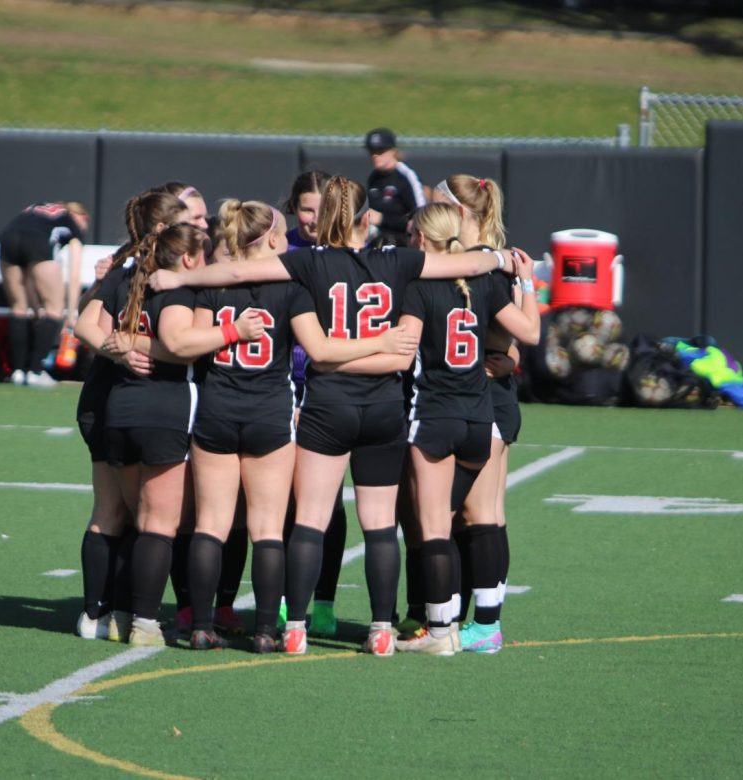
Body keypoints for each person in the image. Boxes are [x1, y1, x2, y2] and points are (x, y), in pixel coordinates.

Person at [148, 175, 519, 656]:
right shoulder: (397, 259)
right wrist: (500, 258)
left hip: (327, 403)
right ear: (369, 218)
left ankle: (297, 626)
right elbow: (462, 261)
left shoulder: (310, 260)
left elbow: (239, 274)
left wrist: (179, 278)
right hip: (384, 404)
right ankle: (381, 629)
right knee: (381, 524)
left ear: (323, 220)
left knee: (310, 521)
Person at [186, 199, 417, 652]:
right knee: (342, 525)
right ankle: (363, 629)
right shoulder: (300, 281)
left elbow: (190, 342)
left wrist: (179, 280)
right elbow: (323, 347)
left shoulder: (278, 272)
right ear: (273, 239)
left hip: (239, 406)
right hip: (302, 409)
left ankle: (226, 625)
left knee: (225, 523)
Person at [102, 223, 266, 647]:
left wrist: (123, 343)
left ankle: (118, 615)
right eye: (205, 253)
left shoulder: (126, 280)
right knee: (160, 524)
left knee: (135, 520)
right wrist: (233, 332)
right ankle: (145, 622)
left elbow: (87, 324)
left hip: (118, 406)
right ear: (189, 260)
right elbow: (176, 343)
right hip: (164, 407)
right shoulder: (175, 291)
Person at [394, 203, 539, 655]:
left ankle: (441, 630)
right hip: (481, 419)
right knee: (480, 519)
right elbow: (530, 332)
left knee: (435, 526)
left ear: (422, 240)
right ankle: (475, 622)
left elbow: (403, 352)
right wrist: (528, 281)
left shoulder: (418, 286)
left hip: (437, 416)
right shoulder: (485, 281)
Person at [68, 190, 186, 642]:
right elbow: (85, 326)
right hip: (116, 400)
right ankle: (116, 613)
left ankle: (100, 614)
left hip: (111, 401)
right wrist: (120, 351)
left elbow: (87, 324)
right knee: (131, 513)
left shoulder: (123, 269)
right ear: (161, 230)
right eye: (185, 220)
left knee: (114, 511)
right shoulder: (139, 274)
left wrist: (120, 346)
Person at [433, 174, 540, 653]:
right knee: (474, 514)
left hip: (485, 399)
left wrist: (508, 355)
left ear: (459, 212)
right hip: (475, 397)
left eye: (436, 203)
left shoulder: (488, 266)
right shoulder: (480, 261)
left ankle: (480, 622)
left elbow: (518, 335)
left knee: (477, 513)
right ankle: (466, 619)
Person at [281, 168, 349, 636]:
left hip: (335, 388)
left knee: (329, 503)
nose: (314, 218)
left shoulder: (351, 255)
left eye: (323, 209)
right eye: (307, 208)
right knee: (285, 500)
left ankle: (322, 600)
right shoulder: (278, 249)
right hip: (281, 386)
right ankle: (289, 599)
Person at [0, 201, 89, 387]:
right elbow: (74, 274)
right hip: (38, 242)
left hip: (7, 238)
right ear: (80, 215)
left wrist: (36, 306)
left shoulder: (36, 210)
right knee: (55, 309)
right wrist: (71, 314)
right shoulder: (70, 221)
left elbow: (29, 275)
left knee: (18, 307)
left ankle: (17, 371)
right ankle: (35, 371)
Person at [364, 128, 426, 247]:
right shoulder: (373, 177)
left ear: (393, 151)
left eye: (380, 150)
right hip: (377, 242)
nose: (375, 155)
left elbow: (421, 217)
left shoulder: (406, 176)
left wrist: (382, 219)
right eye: (371, 151)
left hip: (402, 244)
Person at [282, 170, 329, 250]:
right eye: (308, 211)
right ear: (294, 207)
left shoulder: (350, 249)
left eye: (324, 211)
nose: (316, 221)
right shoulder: (280, 248)